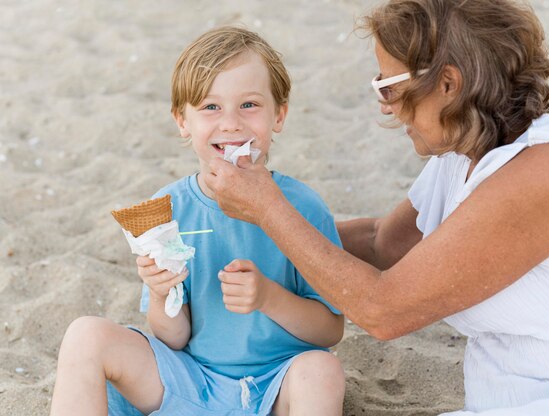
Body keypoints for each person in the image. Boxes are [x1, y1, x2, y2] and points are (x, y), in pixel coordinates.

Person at [204, 1, 549, 415]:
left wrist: (271, 211)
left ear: (447, 83)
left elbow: (383, 310)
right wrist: (237, 234)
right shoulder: (466, 152)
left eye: (388, 86)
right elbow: (382, 244)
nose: (385, 105)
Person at [50, 26, 345, 416]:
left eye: (250, 105)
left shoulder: (305, 208)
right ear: (182, 122)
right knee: (85, 335)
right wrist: (161, 293)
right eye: (210, 107)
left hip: (278, 389)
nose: (231, 124)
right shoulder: (169, 208)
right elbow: (173, 338)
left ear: (280, 116)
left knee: (323, 370)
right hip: (192, 382)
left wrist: (269, 298)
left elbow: (330, 330)